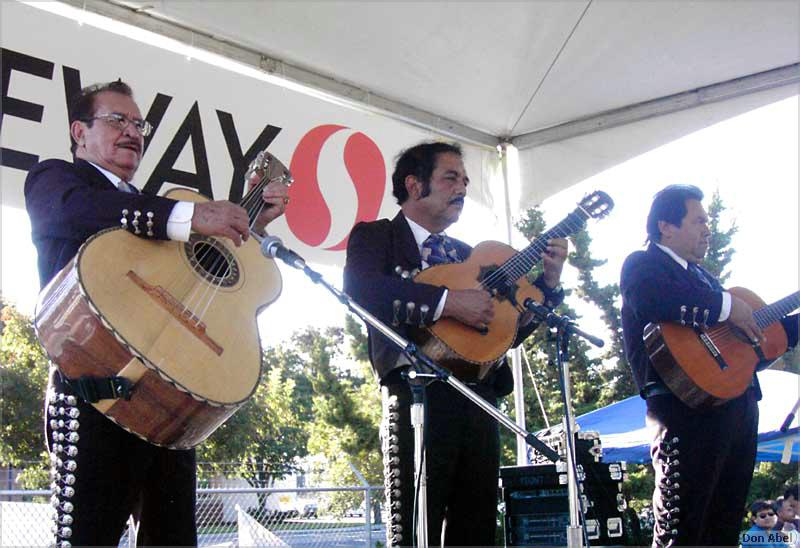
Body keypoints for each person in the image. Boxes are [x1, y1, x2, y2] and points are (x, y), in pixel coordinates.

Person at [24, 80, 289, 546]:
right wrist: (187, 216)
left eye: (138, 124)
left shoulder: (155, 209)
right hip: (92, 392)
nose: (133, 132)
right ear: (79, 132)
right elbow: (74, 212)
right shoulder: (57, 180)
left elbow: (197, 275)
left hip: (173, 403)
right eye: (117, 120)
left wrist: (250, 219)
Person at [343, 141, 567, 546]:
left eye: (464, 180)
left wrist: (548, 286)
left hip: (479, 398)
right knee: (415, 530)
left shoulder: (468, 256)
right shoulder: (377, 236)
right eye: (450, 177)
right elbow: (361, 291)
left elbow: (505, 337)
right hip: (416, 399)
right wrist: (447, 302)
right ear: (414, 185)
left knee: (477, 529)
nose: (462, 187)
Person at [620, 184, 799, 546]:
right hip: (682, 411)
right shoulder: (643, 264)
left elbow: (749, 349)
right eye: (699, 220)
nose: (708, 228)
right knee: (681, 526)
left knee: (723, 523)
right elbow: (649, 298)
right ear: (665, 226)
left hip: (735, 410)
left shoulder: (704, 279)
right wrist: (728, 307)